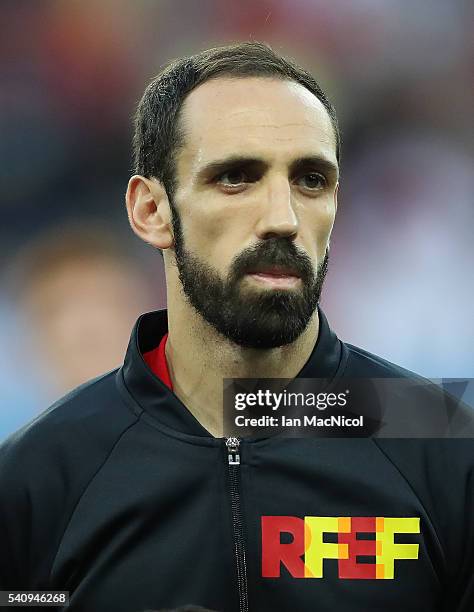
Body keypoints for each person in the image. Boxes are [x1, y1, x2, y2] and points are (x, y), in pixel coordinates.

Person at [0, 42, 472, 612]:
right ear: (151, 211)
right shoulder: (40, 475)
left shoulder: (439, 437)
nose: (283, 218)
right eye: (236, 177)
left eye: (311, 180)